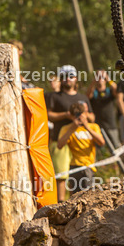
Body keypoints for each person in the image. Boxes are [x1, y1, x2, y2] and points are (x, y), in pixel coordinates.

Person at [46, 65, 93, 202]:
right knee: (61, 176)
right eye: (64, 77)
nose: (67, 79)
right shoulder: (54, 96)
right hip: (60, 141)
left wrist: (84, 116)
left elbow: (92, 117)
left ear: (76, 78)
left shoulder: (83, 97)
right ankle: (61, 203)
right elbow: (48, 115)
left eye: (71, 76)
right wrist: (66, 115)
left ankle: (78, 201)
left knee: (79, 174)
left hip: (80, 141)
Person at [56, 101, 105, 196]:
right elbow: (60, 145)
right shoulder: (66, 129)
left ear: (86, 114)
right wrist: (73, 128)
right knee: (75, 197)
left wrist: (86, 126)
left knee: (88, 196)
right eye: (76, 115)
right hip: (74, 167)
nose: (78, 117)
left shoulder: (93, 127)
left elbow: (101, 142)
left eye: (80, 114)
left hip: (88, 167)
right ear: (71, 115)